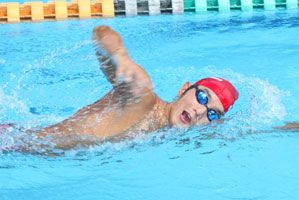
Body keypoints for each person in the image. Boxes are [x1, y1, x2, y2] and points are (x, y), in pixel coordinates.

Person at [1, 26, 239, 151]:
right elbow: (101, 33)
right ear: (183, 89)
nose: (200, 111)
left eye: (212, 114)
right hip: (12, 144)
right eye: (201, 97)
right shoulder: (141, 97)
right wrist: (121, 58)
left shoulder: (168, 131)